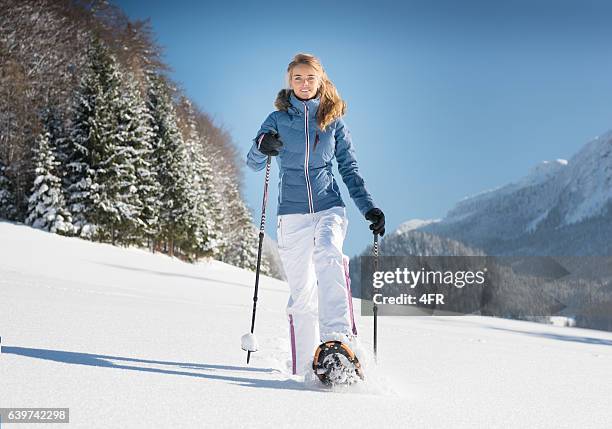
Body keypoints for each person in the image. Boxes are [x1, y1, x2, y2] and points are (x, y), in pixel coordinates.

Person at [246, 53, 385, 377]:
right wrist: (262, 145)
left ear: (320, 80)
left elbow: (349, 170)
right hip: (291, 215)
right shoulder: (277, 119)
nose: (304, 84)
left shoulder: (332, 121)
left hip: (328, 207)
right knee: (302, 296)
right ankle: (306, 370)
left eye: (310, 78)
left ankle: (339, 343)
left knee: (328, 254)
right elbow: (253, 160)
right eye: (298, 78)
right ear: (289, 82)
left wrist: (369, 208)